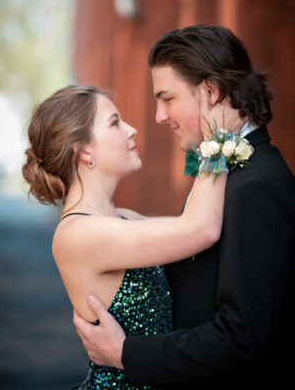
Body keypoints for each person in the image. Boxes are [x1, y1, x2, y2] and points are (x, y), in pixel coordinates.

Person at [73, 25, 295, 388]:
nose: (159, 116)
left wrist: (124, 353)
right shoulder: (223, 169)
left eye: (167, 98)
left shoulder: (256, 186)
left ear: (210, 91)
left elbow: (240, 337)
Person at [22, 83, 244, 389]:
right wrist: (219, 137)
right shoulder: (78, 233)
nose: (132, 129)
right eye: (115, 122)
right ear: (85, 150)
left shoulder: (123, 218)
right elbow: (200, 229)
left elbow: (197, 225)